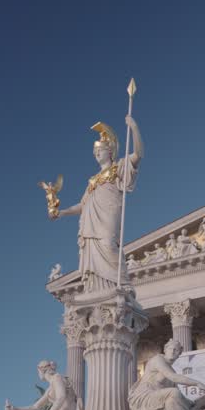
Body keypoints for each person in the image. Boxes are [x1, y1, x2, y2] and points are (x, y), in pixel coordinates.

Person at [51, 116, 144, 293]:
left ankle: (122, 287)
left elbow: (138, 154)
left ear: (110, 151)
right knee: (93, 255)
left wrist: (134, 128)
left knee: (109, 245)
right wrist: (61, 213)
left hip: (108, 216)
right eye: (95, 153)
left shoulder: (119, 168)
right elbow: (82, 205)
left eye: (99, 151)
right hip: (90, 223)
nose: (96, 154)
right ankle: (96, 291)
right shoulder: (93, 180)